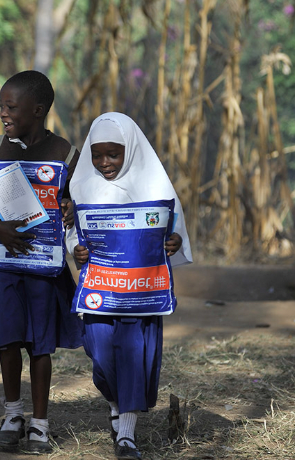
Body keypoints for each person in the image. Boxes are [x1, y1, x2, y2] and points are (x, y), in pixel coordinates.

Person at [0, 70, 83, 454]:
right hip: (5, 263)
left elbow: (76, 200)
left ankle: (40, 424)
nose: (3, 113)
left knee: (41, 345)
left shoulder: (64, 153)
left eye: (11, 107)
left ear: (39, 109)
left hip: (45, 267)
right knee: (9, 339)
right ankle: (13, 414)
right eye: (1, 105)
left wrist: (70, 208)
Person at [69, 112, 191, 460]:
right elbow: (73, 230)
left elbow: (174, 227)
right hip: (101, 290)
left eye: (113, 154)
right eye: (97, 154)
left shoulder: (154, 184)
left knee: (133, 356)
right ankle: (114, 404)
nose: (104, 162)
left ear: (130, 150)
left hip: (141, 293)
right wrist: (74, 248)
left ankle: (126, 435)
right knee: (100, 354)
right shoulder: (82, 185)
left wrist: (175, 241)